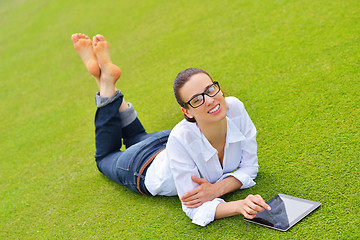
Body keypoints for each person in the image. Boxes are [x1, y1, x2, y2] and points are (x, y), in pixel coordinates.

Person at [71, 33, 271, 226]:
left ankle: (106, 81)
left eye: (210, 89)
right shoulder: (181, 137)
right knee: (105, 157)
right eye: (197, 99)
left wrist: (216, 190)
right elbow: (193, 208)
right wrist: (238, 205)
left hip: (168, 143)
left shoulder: (234, 107)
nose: (210, 100)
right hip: (142, 165)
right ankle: (106, 85)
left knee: (136, 136)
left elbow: (250, 167)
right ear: (187, 111)